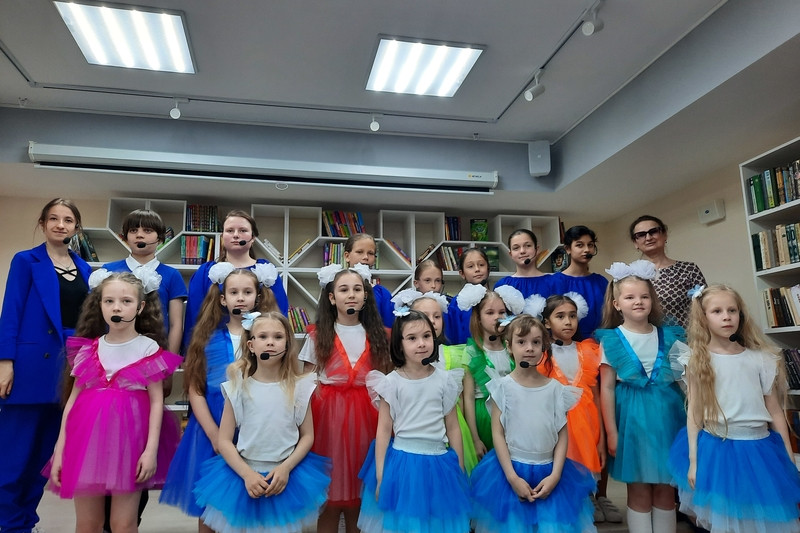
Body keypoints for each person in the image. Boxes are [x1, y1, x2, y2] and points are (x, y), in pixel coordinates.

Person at [46, 271, 181, 533]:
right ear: (100, 305)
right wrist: (59, 450)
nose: (116, 307)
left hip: (131, 445)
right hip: (86, 444)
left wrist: (150, 450)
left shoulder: (148, 349)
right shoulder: (88, 350)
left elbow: (156, 402)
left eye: (126, 301)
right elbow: (72, 403)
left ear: (140, 306)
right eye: (109, 301)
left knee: (123, 523)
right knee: (88, 524)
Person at [668, 284, 800, 533]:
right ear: (703, 318)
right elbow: (695, 413)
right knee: (727, 520)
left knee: (762, 518)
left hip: (760, 450)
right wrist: (694, 461)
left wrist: (788, 454)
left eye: (732, 310)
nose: (726, 317)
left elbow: (775, 412)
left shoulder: (762, 358)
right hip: (718, 450)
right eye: (717, 311)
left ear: (741, 314)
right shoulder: (697, 360)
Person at [160, 263, 279, 532]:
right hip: (211, 426)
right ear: (223, 299)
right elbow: (195, 389)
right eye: (234, 292)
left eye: (247, 292)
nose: (240, 298)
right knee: (210, 507)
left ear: (258, 296)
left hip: (256, 429)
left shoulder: (269, 337)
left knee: (250, 503)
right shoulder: (206, 338)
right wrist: (214, 435)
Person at [0, 198, 92, 533]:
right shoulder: (26, 261)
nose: (60, 225)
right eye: (53, 218)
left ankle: (25, 522)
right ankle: (7, 524)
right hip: (28, 369)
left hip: (70, 369)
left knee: (44, 459)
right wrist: (5, 362)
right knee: (13, 458)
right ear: (42, 223)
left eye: (67, 220)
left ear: (76, 227)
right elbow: (11, 312)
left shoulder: (86, 269)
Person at [193, 312, 331, 533]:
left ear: (287, 344)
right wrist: (247, 474)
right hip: (245, 477)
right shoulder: (237, 388)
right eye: (263, 336)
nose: (270, 342)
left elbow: (307, 436)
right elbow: (224, 441)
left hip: (285, 477)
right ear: (251, 345)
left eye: (278, 337)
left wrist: (286, 468)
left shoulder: (300, 388)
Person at [470, 314, 596, 533]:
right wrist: (512, 478)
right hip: (511, 472)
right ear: (509, 346)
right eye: (521, 342)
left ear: (544, 346)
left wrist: (555, 475)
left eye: (536, 342)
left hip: (549, 473)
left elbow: (562, 434)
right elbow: (498, 433)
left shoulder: (556, 390)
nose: (529, 348)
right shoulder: (502, 387)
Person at [299, 264, 392, 533]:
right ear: (331, 297)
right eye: (343, 289)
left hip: (368, 420)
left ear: (365, 296)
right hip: (328, 422)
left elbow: (387, 381)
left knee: (360, 495)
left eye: (357, 289)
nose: (351, 294)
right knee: (329, 495)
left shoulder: (381, 336)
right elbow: (306, 383)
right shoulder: (317, 335)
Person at [358, 310, 470, 533]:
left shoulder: (445, 380)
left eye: (427, 336)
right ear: (399, 345)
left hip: (439, 462)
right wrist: (380, 475)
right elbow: (383, 431)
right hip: (403, 464)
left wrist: (458, 466)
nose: (421, 343)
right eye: (412, 338)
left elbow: (453, 427)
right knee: (405, 523)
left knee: (435, 522)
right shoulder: (391, 383)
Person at [596, 260, 686, 533]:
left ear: (652, 300)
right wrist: (611, 432)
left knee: (666, 487)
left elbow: (686, 383)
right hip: (631, 421)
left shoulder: (670, 336)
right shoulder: (611, 339)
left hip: (668, 419)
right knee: (638, 487)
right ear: (616, 304)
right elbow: (606, 388)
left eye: (644, 296)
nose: (638, 302)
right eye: (630, 297)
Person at [542, 293, 622, 524]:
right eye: (560, 316)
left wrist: (601, 439)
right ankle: (570, 502)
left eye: (572, 316)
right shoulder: (542, 353)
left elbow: (595, 395)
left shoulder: (588, 350)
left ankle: (590, 497)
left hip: (587, 423)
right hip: (557, 424)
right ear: (547, 322)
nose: (568, 322)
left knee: (586, 464)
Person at [392, 288, 479, 474]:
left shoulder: (456, 355)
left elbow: (462, 400)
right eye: (425, 315)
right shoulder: (403, 365)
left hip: (452, 425)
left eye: (437, 316)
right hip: (415, 432)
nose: (431, 321)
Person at [184, 209, 289, 349]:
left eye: (242, 230)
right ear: (222, 237)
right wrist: (190, 352)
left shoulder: (266, 271)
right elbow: (194, 315)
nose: (235, 235)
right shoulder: (206, 272)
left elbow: (279, 314)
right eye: (230, 230)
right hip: (215, 350)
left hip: (258, 350)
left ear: (253, 238)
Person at [103, 209, 187, 354]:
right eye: (133, 230)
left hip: (157, 352)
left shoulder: (172, 275)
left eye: (147, 230)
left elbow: (176, 324)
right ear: (125, 237)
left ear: (160, 238)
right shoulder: (108, 271)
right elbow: (96, 316)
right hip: (113, 350)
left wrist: (169, 360)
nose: (139, 235)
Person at [459, 284, 524, 457]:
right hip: (484, 417)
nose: (497, 317)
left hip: (514, 415)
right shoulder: (472, 352)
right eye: (490, 313)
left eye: (502, 312)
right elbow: (468, 398)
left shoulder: (513, 348)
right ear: (478, 318)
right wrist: (475, 439)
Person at [629, 215, 706, 328]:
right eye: (641, 235)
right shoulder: (628, 276)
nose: (648, 237)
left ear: (664, 235)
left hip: (685, 336)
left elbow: (706, 307)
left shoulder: (688, 269)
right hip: (643, 337)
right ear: (635, 242)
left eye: (653, 231)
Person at [550, 225, 608, 341]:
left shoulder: (601, 281)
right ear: (568, 249)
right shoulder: (554, 282)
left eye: (590, 245)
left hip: (599, 342)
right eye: (580, 245)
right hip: (566, 344)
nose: (587, 250)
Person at [343, 233, 394, 328]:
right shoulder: (334, 288)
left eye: (370, 253)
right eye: (359, 252)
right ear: (347, 256)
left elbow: (389, 328)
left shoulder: (383, 294)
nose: (366, 257)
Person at [445, 248, 491, 345]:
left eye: (481, 265)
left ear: (488, 269)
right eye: (470, 266)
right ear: (462, 273)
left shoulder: (496, 299)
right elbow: (453, 335)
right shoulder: (456, 303)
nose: (477, 269)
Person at [494, 229, 553, 299]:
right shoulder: (502, 285)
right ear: (511, 254)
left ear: (536, 249)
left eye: (528, 246)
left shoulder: (553, 282)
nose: (522, 251)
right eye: (516, 248)